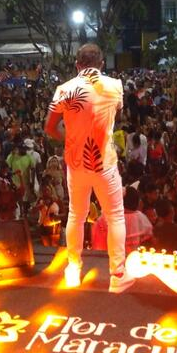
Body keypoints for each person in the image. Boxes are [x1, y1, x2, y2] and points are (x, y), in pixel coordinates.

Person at [45, 43, 133, 292]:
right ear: (102, 64)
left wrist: (70, 139)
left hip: (76, 163)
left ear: (77, 65)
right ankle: (117, 275)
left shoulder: (64, 90)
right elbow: (116, 112)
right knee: (115, 215)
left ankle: (73, 271)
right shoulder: (115, 86)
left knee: (76, 214)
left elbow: (49, 127)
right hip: (104, 162)